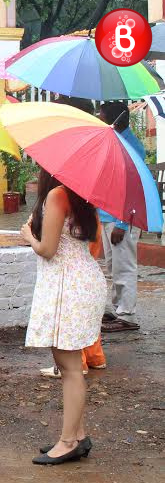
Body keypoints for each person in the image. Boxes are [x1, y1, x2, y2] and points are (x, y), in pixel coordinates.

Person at [20, 168, 106, 465]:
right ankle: (78, 434)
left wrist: (29, 235)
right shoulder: (82, 196)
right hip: (80, 280)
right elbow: (94, 244)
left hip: (69, 284)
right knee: (66, 362)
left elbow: (47, 249)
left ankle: (68, 441)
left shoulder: (58, 195)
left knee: (70, 367)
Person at [38, 95, 108, 378]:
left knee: (73, 298)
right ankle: (93, 356)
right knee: (83, 296)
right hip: (88, 221)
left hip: (74, 225)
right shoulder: (95, 147)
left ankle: (74, 361)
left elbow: (48, 248)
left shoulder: (73, 147)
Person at [98, 101, 143, 324]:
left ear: (117, 118)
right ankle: (119, 309)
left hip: (122, 219)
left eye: (102, 113)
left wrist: (122, 223)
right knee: (113, 266)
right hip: (107, 215)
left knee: (124, 266)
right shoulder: (113, 141)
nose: (99, 116)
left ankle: (127, 315)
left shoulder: (131, 146)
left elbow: (133, 188)